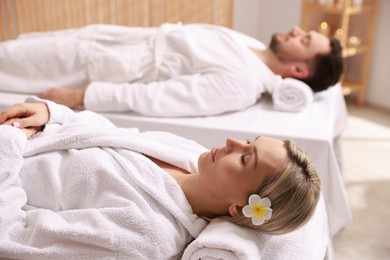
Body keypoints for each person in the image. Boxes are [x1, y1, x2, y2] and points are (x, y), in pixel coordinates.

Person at [0, 98, 320, 258]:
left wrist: (9, 146)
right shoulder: (186, 157)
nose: (233, 143)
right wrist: (51, 114)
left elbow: (16, 239)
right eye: (249, 141)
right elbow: (108, 132)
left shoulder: (147, 234)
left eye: (246, 157)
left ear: (239, 207)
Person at [0, 23, 344, 117]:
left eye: (305, 39)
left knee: (8, 61)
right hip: (109, 43)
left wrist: (80, 95)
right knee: (14, 51)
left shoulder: (241, 84)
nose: (297, 31)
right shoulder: (251, 46)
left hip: (102, 67)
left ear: (298, 69)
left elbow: (160, 98)